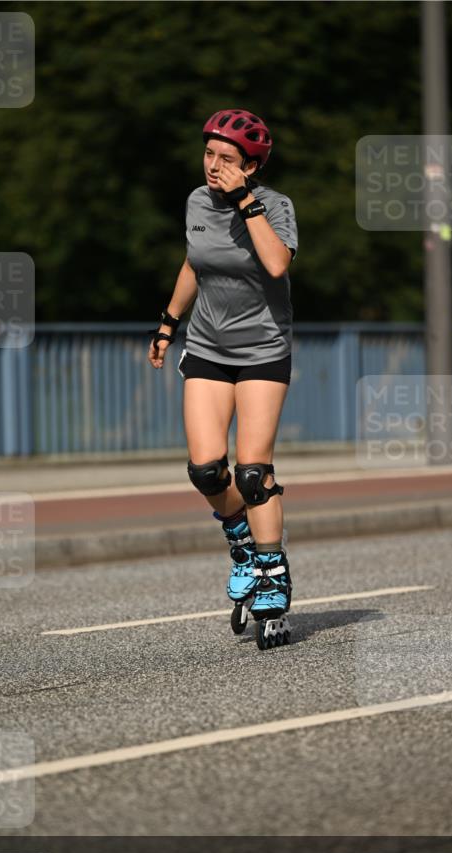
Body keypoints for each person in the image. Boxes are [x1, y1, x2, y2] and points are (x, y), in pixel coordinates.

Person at [147, 109, 298, 648]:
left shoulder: (274, 206)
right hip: (208, 346)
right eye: (209, 154)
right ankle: (241, 544)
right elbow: (195, 263)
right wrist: (168, 323)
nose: (214, 166)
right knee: (208, 471)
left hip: (262, 350)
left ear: (251, 164)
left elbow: (277, 264)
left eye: (228, 159)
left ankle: (272, 574)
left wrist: (245, 200)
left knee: (253, 474)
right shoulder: (195, 202)